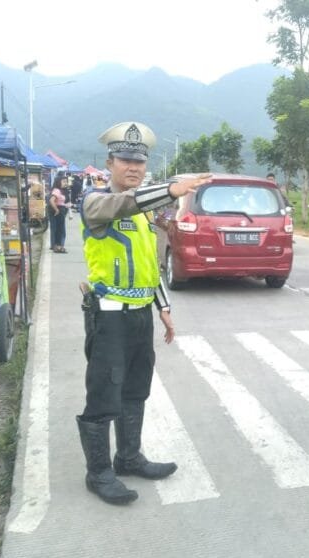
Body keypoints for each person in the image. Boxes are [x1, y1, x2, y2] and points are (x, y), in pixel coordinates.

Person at [77, 121, 211, 505]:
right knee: (103, 394)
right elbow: (127, 202)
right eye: (124, 160)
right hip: (109, 317)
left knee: (136, 389)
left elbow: (148, 266)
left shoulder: (143, 215)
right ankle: (98, 473)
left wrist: (163, 306)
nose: (133, 167)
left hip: (139, 316)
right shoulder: (95, 202)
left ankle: (129, 457)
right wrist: (170, 190)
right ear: (109, 162)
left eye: (139, 161)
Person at [49, 177, 69, 253]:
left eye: (66, 181)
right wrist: (56, 209)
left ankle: (58, 246)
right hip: (58, 211)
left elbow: (61, 201)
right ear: (58, 182)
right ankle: (57, 246)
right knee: (58, 229)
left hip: (61, 210)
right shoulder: (57, 190)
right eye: (64, 181)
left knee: (59, 229)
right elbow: (51, 200)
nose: (65, 183)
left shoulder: (62, 191)